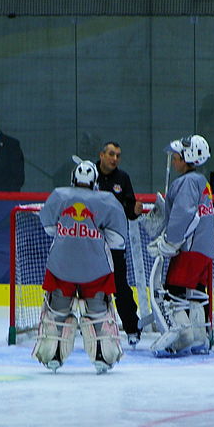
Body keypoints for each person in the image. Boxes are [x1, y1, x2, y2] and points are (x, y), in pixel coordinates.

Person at [32, 156, 128, 374]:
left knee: (56, 312)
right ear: (95, 181)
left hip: (61, 267)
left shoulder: (58, 195)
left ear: (73, 179)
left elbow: (48, 227)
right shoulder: (107, 200)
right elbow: (117, 240)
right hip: (96, 269)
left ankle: (51, 355)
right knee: (98, 313)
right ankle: (104, 357)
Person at [147, 135, 214, 357]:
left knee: (175, 294)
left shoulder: (186, 182)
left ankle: (182, 338)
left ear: (188, 158)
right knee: (195, 293)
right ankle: (199, 337)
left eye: (176, 158)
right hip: (205, 250)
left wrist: (169, 242)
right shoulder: (201, 182)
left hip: (189, 249)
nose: (174, 162)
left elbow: (183, 215)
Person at [95, 141, 143, 346]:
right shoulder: (89, 174)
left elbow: (130, 209)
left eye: (118, 155)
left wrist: (135, 209)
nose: (115, 159)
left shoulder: (122, 178)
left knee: (120, 286)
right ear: (101, 155)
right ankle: (85, 326)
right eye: (111, 154)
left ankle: (132, 329)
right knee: (86, 285)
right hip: (90, 242)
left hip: (115, 243)